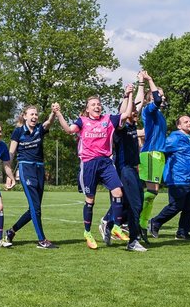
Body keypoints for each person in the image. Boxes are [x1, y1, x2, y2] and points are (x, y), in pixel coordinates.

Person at [53, 91, 133, 251]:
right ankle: (88, 232)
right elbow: (69, 130)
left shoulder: (108, 119)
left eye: (98, 104)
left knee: (118, 192)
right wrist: (58, 114)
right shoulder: (82, 121)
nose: (97, 106)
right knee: (90, 199)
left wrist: (129, 95)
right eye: (93, 104)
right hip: (89, 164)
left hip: (106, 163)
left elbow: (127, 113)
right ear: (87, 109)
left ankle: (117, 227)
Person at [100, 82, 147, 252]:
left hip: (133, 169)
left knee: (131, 205)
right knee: (136, 205)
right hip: (124, 169)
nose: (135, 112)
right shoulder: (120, 128)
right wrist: (127, 95)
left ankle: (109, 223)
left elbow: (138, 104)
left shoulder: (133, 126)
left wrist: (140, 86)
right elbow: (124, 112)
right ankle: (132, 241)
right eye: (132, 110)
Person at [5, 104, 57, 249]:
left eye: (36, 115)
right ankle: (41, 240)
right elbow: (11, 154)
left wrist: (53, 113)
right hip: (26, 168)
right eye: (31, 114)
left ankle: (11, 231)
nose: (34, 117)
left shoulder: (40, 129)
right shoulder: (18, 131)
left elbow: (49, 123)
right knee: (36, 208)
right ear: (25, 116)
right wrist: (9, 174)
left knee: (34, 208)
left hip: (39, 169)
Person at [148, 114, 190, 240]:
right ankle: (155, 222)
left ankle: (182, 232)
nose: (189, 123)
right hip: (177, 179)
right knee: (176, 206)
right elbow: (160, 148)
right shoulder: (175, 138)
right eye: (185, 122)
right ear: (179, 125)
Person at [137, 69, 168, 235]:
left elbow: (147, 132)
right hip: (150, 153)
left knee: (153, 193)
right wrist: (149, 79)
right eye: (159, 95)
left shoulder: (160, 116)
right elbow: (155, 99)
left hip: (158, 154)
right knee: (151, 192)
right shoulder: (149, 109)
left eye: (163, 95)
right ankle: (131, 218)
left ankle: (141, 223)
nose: (162, 98)